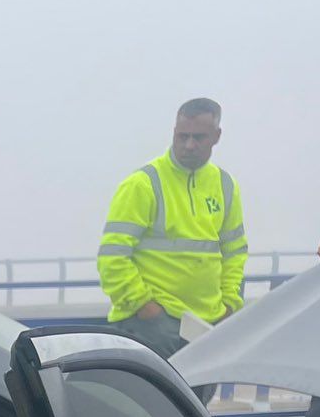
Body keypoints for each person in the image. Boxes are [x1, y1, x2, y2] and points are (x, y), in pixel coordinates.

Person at [97, 97, 249, 357]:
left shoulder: (225, 185)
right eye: (183, 136)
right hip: (153, 325)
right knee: (149, 398)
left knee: (197, 399)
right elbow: (112, 257)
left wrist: (229, 305)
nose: (189, 145)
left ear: (216, 136)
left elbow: (234, 252)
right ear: (174, 133)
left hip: (207, 325)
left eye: (199, 137)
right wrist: (146, 307)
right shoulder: (143, 184)